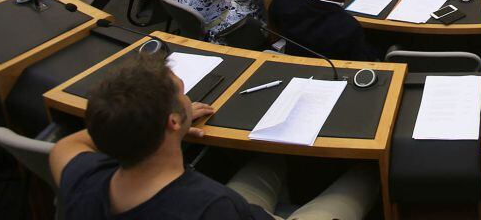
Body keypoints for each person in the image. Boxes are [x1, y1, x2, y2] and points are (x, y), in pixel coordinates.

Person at [49, 53, 379, 220]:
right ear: (174, 122)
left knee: (270, 156)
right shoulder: (211, 208)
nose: (188, 99)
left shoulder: (83, 181)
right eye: (182, 95)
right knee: (365, 177)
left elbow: (67, 145)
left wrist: (133, 119)